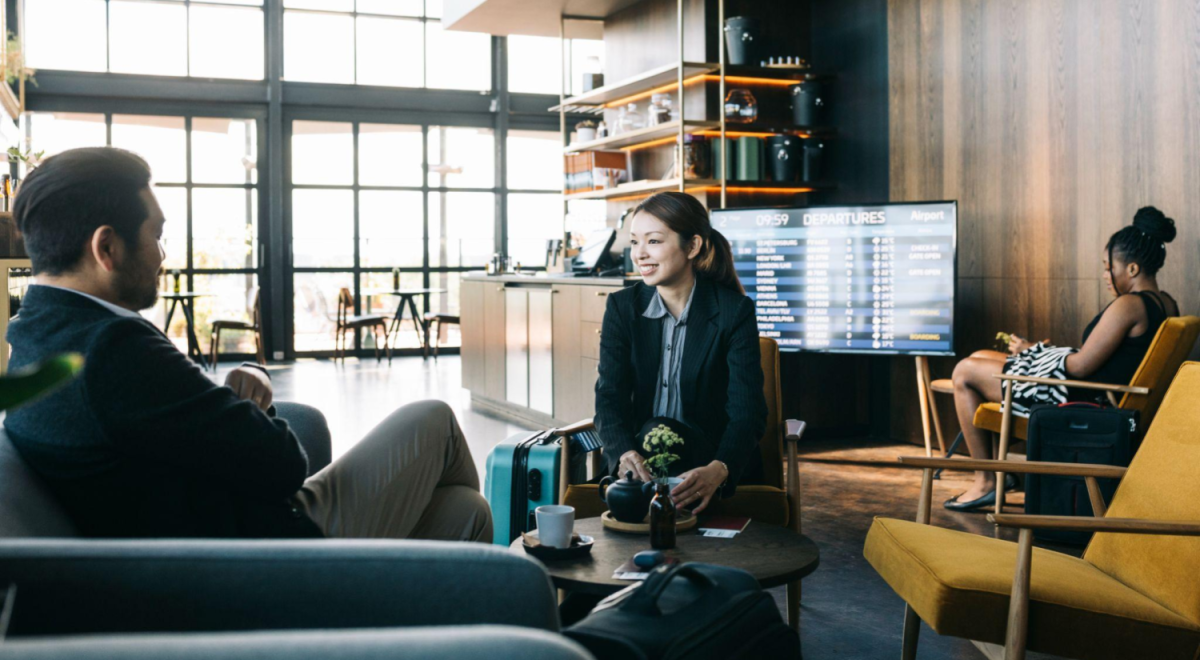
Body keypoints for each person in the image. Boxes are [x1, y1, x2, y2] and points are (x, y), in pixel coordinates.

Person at [4, 147, 491, 541]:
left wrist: (246, 388)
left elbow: (173, 424)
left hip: (220, 540)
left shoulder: (33, 331)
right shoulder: (114, 347)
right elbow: (283, 465)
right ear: (106, 248)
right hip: (270, 553)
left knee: (464, 512)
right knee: (435, 420)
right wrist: (253, 406)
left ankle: (452, 610)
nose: (163, 255)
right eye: (157, 235)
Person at [947, 206, 1180, 511]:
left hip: (1086, 401)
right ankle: (999, 476)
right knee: (980, 357)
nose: (1105, 275)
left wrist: (1035, 351)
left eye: (1108, 267)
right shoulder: (1167, 304)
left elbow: (1082, 365)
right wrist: (1035, 350)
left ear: (1132, 269)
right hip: (1097, 390)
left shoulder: (1129, 306)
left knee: (965, 371)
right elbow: (1101, 359)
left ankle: (986, 482)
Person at [593, 192, 767, 514]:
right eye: (634, 242)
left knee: (660, 429)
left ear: (693, 246)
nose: (639, 254)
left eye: (653, 241)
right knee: (650, 434)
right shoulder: (621, 308)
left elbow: (748, 411)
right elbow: (609, 397)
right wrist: (623, 454)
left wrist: (720, 468)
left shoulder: (734, 312)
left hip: (707, 461)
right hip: (640, 464)